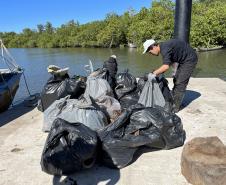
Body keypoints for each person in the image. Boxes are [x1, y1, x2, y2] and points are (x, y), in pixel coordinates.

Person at [143, 39, 198, 112]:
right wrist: (158, 72)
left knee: (180, 82)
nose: (150, 53)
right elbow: (168, 63)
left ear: (153, 47)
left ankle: (175, 107)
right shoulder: (163, 47)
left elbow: (166, 66)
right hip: (183, 60)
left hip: (190, 60)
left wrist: (154, 73)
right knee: (176, 79)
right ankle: (173, 99)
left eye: (149, 51)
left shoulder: (165, 48)